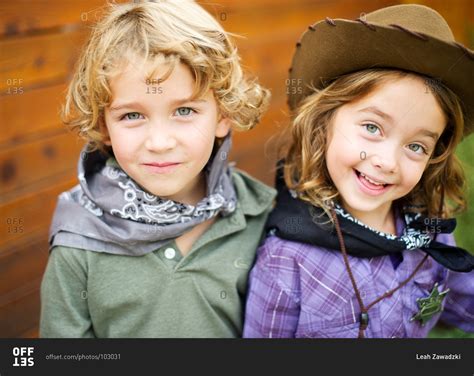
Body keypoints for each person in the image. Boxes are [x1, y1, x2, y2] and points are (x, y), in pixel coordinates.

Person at [40, 0, 276, 338]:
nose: (160, 142)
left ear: (222, 115)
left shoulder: (259, 215)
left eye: (184, 111)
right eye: (132, 116)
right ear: (104, 125)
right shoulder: (79, 234)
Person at [243, 4, 474, 338]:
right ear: (324, 122)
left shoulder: (430, 229)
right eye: (372, 127)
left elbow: (462, 301)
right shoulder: (287, 259)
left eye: (416, 146)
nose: (388, 162)